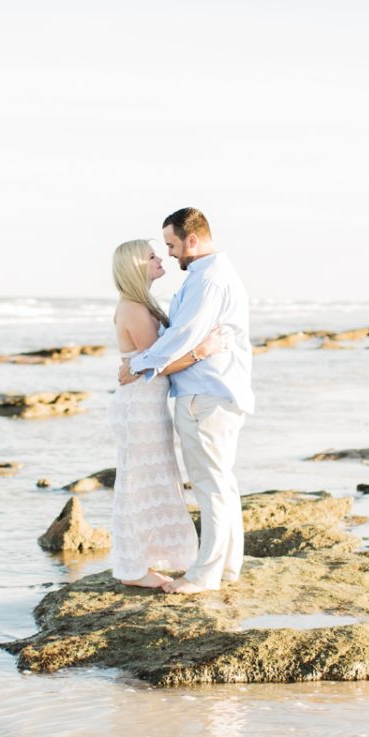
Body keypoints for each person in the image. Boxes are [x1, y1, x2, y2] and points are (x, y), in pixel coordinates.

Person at [119, 207, 254, 595]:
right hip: (215, 393)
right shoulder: (207, 276)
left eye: (172, 244)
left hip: (205, 396)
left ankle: (205, 575)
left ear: (191, 239)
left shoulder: (208, 280)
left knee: (211, 486)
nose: (170, 253)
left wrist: (139, 365)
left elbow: (185, 336)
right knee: (222, 483)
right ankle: (227, 566)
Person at [110, 238, 228, 589]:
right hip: (139, 407)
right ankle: (133, 569)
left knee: (153, 479)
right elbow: (158, 365)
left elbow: (150, 362)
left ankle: (143, 562)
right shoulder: (133, 308)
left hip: (147, 405)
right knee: (139, 483)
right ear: (135, 266)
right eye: (151, 256)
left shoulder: (143, 303)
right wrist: (203, 351)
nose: (159, 258)